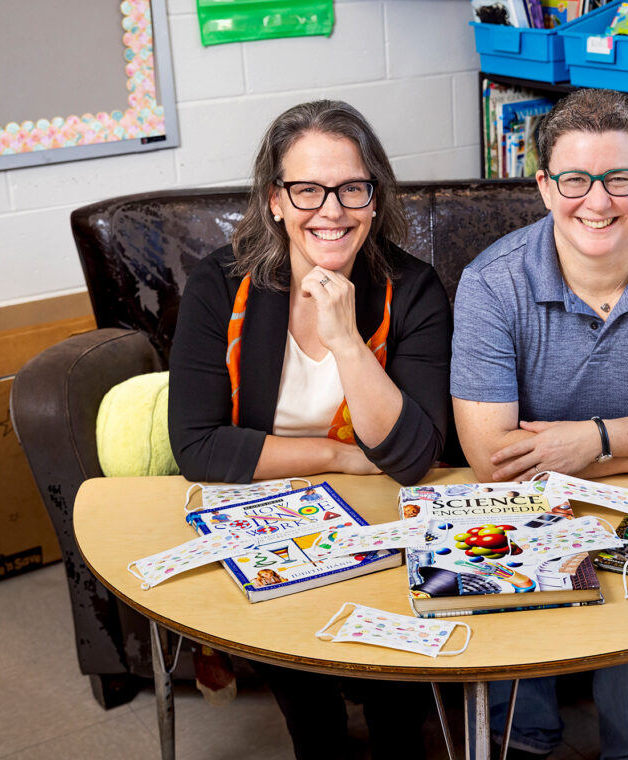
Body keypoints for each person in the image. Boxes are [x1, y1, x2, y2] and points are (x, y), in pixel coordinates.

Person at [450, 88, 628, 760]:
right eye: (576, 179)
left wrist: (594, 442)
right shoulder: (491, 283)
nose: (598, 200)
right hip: (527, 500)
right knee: (501, 543)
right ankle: (520, 737)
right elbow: (491, 460)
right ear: (544, 186)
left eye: (618, 178)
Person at [168, 99, 451, 759]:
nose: (331, 209)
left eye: (351, 188)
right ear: (275, 200)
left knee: (397, 719)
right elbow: (198, 445)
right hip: (270, 512)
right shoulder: (222, 284)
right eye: (307, 189)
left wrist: (347, 340)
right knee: (314, 726)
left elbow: (411, 457)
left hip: (386, 518)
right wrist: (341, 457)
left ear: (374, 198)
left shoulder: (413, 290)